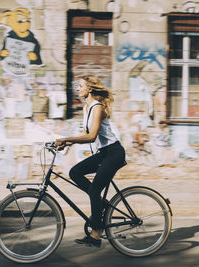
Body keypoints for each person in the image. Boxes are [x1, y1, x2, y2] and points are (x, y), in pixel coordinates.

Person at [55, 75, 126, 248]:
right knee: (75, 172)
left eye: (80, 86)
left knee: (94, 190)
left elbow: (91, 136)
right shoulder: (87, 108)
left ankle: (95, 235)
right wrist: (67, 143)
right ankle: (100, 204)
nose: (77, 88)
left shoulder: (97, 108)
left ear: (90, 89)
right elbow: (86, 135)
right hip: (104, 153)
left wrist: (66, 138)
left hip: (114, 153)